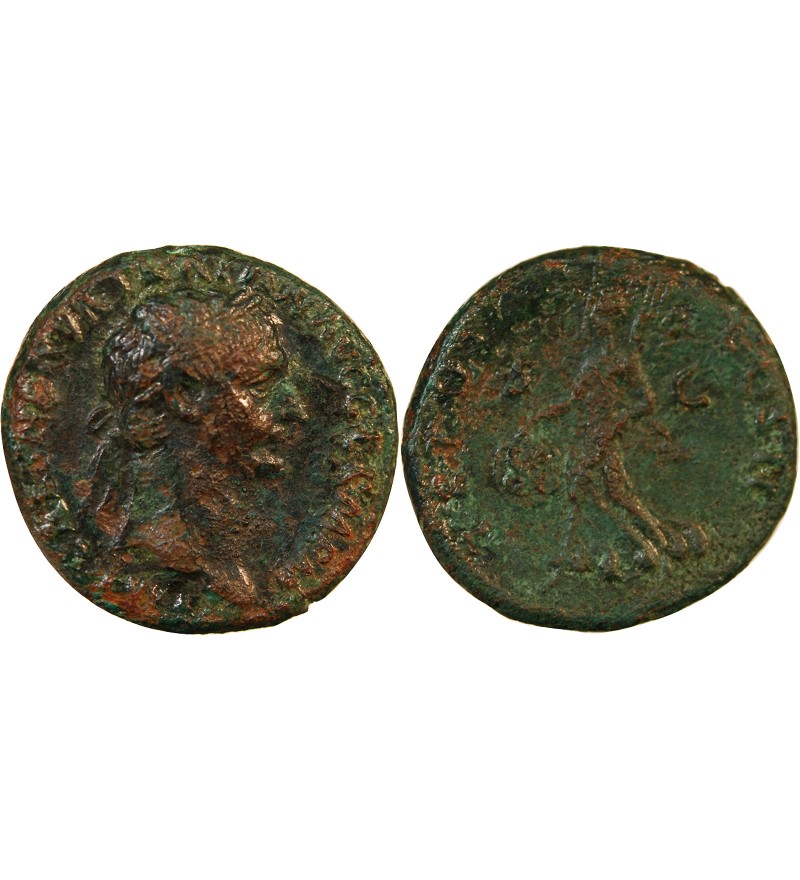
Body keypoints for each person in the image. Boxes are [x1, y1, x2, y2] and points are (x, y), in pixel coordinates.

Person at [82, 289, 310, 611]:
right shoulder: (151, 556)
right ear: (186, 396)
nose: (298, 410)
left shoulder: (241, 538)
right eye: (260, 385)